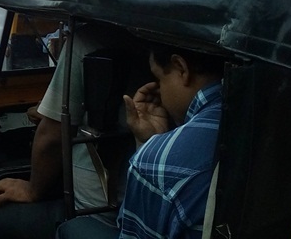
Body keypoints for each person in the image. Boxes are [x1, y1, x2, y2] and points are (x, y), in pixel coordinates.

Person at [0, 24, 131, 239]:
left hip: (97, 215)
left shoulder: (88, 40)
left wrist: (33, 190)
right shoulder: (161, 41)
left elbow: (52, 134)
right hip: (139, 211)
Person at [57, 45, 224, 239]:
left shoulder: (158, 163)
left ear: (181, 68)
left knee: (74, 228)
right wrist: (151, 140)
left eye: (159, 79)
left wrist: (152, 149)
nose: (159, 91)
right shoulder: (260, 120)